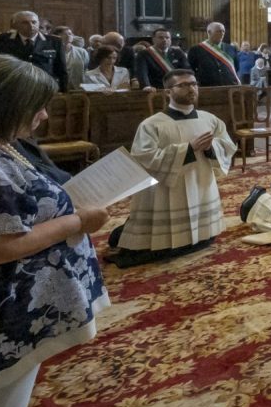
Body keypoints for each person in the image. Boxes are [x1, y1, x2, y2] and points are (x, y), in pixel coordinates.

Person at [0, 56, 109, 407]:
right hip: (4, 311)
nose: (43, 116)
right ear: (7, 105)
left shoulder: (0, 146)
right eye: (37, 106)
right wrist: (76, 223)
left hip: (19, 305)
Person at [109, 69, 237, 266]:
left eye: (194, 84)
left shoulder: (209, 119)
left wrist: (212, 147)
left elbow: (227, 146)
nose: (191, 88)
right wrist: (188, 149)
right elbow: (144, 157)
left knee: (202, 235)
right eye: (183, 85)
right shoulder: (152, 125)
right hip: (164, 192)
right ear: (168, 92)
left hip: (200, 183)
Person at [0, 10, 67, 90]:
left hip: (44, 88)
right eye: (25, 23)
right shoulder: (2, 40)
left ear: (38, 23)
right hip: (14, 89)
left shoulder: (54, 42)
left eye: (34, 22)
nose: (31, 26)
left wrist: (63, 92)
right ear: (15, 25)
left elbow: (61, 70)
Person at [186, 22, 240, 87]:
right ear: (209, 32)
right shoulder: (196, 49)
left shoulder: (231, 48)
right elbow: (191, 68)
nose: (222, 34)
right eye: (218, 31)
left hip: (229, 85)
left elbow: (236, 66)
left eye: (223, 31)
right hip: (207, 86)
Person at [52, 26, 88, 92]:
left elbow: (85, 68)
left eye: (70, 34)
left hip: (78, 88)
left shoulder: (82, 52)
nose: (68, 36)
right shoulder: (52, 51)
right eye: (64, 34)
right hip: (58, 88)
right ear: (57, 36)